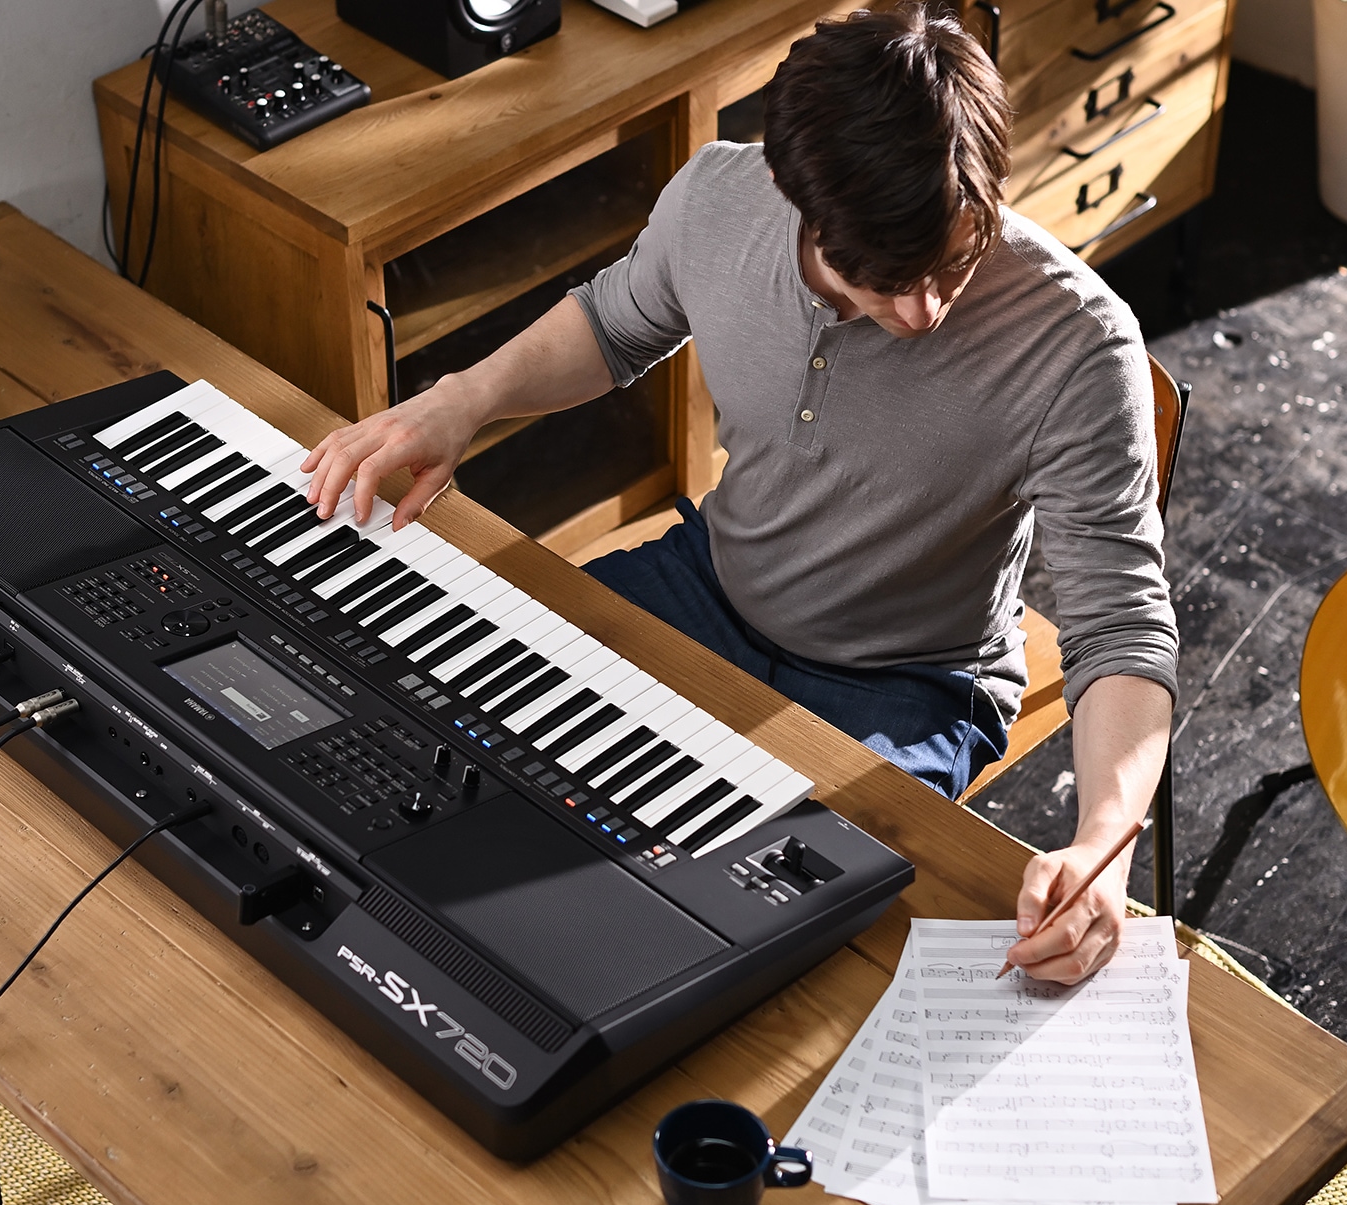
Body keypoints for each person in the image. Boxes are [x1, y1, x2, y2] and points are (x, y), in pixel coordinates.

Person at [299, 3, 1176, 983]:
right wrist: (461, 402)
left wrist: (1103, 845)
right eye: (875, 283)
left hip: (907, 680)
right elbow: (613, 323)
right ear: (785, 193)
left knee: (749, 940)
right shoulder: (718, 194)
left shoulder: (1076, 343)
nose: (922, 311)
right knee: (449, 740)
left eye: (950, 260)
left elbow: (1121, 626)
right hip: (704, 586)